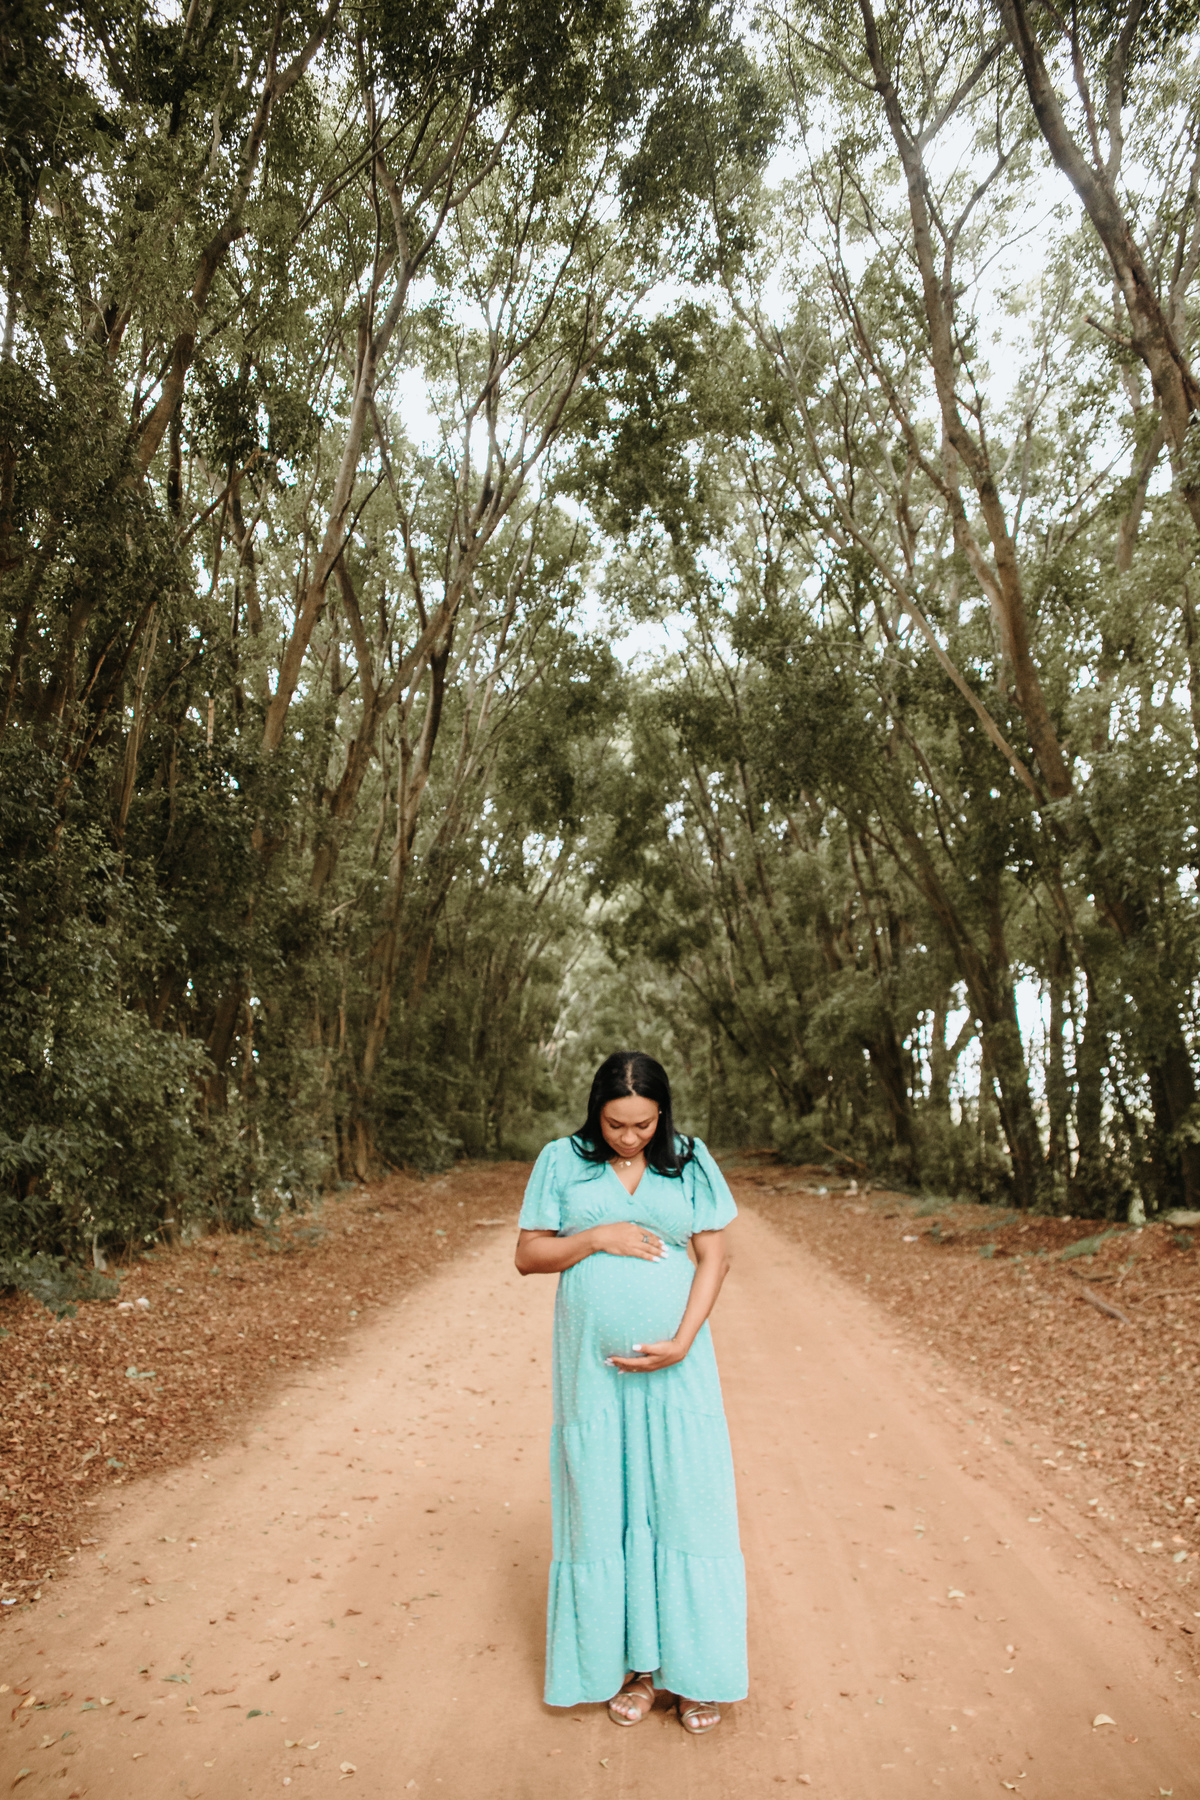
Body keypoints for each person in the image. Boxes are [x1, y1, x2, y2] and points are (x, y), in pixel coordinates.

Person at [514, 1050, 748, 1733]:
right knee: (608, 1509)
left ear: (661, 1116)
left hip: (679, 1370)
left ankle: (698, 1673)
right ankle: (637, 1670)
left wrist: (682, 1338)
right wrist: (595, 1238)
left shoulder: (691, 1160)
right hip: (594, 1379)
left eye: (644, 1124)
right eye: (617, 1124)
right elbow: (528, 1255)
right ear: (597, 1112)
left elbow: (716, 1257)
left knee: (688, 1509)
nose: (630, 1137)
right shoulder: (561, 1160)